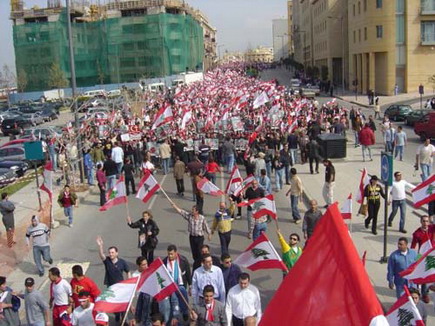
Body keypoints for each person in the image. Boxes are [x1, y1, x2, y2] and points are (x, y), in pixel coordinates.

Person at [163, 245, 191, 322]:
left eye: (171, 254)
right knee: (173, 301)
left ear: (176, 253)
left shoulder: (183, 260)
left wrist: (190, 285)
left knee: (183, 292)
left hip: (180, 284)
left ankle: (185, 311)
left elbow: (188, 273)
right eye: (168, 254)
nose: (170, 256)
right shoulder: (164, 262)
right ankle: (173, 316)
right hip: (170, 286)